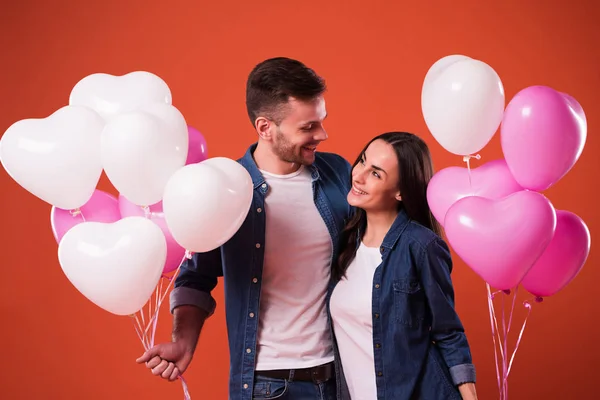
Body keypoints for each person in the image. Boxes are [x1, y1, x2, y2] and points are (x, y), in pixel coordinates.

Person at [136, 57, 353, 400]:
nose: (322, 135)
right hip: (269, 386)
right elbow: (195, 277)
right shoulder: (225, 190)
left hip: (341, 380)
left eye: (321, 122)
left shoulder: (338, 174)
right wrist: (183, 341)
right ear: (266, 127)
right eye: (308, 127)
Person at [328, 132, 478, 400]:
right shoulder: (345, 240)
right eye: (362, 162)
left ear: (400, 191)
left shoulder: (421, 246)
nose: (359, 176)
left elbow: (448, 331)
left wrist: (470, 395)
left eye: (376, 174)